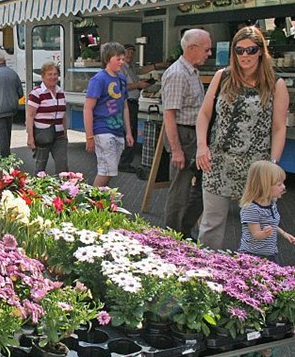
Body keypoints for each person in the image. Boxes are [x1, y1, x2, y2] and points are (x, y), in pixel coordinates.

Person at [195, 26, 289, 250]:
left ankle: (252, 274)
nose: (245, 55)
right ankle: (203, 272)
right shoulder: (223, 77)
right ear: (233, 52)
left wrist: (273, 165)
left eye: (251, 50)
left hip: (256, 168)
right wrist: (201, 146)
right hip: (217, 163)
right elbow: (205, 114)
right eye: (239, 50)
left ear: (260, 51)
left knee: (259, 225)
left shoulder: (275, 84)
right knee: (211, 224)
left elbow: (278, 128)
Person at [161, 29, 212, 238]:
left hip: (193, 135)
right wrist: (176, 150)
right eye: (207, 49)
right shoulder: (177, 74)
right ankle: (172, 235)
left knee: (202, 186)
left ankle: (183, 229)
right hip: (184, 135)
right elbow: (169, 115)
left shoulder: (191, 71)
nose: (209, 53)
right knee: (180, 189)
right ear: (192, 48)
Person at [83, 42, 134, 188]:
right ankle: (92, 201)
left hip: (118, 130)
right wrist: (89, 136)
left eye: (122, 59)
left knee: (111, 170)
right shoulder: (98, 79)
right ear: (107, 59)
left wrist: (128, 132)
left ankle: (100, 200)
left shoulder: (121, 79)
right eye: (118, 59)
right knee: (106, 171)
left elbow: (124, 106)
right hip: (103, 129)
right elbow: (88, 109)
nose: (121, 62)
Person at [118, 44, 168, 173]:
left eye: (132, 53)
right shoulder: (121, 68)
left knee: (131, 131)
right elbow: (120, 87)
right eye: (127, 52)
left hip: (133, 102)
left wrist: (158, 65)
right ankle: (123, 163)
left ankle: (125, 161)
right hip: (126, 103)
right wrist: (138, 85)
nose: (130, 55)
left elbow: (142, 70)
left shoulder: (131, 67)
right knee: (129, 131)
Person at [238, 160, 295, 264]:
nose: (283, 187)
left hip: (270, 252)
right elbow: (255, 234)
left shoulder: (272, 203)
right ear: (264, 186)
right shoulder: (251, 208)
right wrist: (264, 233)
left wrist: (284, 233)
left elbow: (270, 223)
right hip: (253, 255)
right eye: (279, 184)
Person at [26, 62, 68, 175]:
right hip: (43, 135)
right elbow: (30, 116)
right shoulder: (36, 93)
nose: (53, 77)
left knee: (62, 166)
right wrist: (30, 137)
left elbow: (63, 114)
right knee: (40, 167)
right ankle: (35, 190)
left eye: (55, 74)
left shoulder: (60, 92)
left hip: (59, 135)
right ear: (43, 76)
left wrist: (65, 132)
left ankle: (63, 190)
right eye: (50, 74)